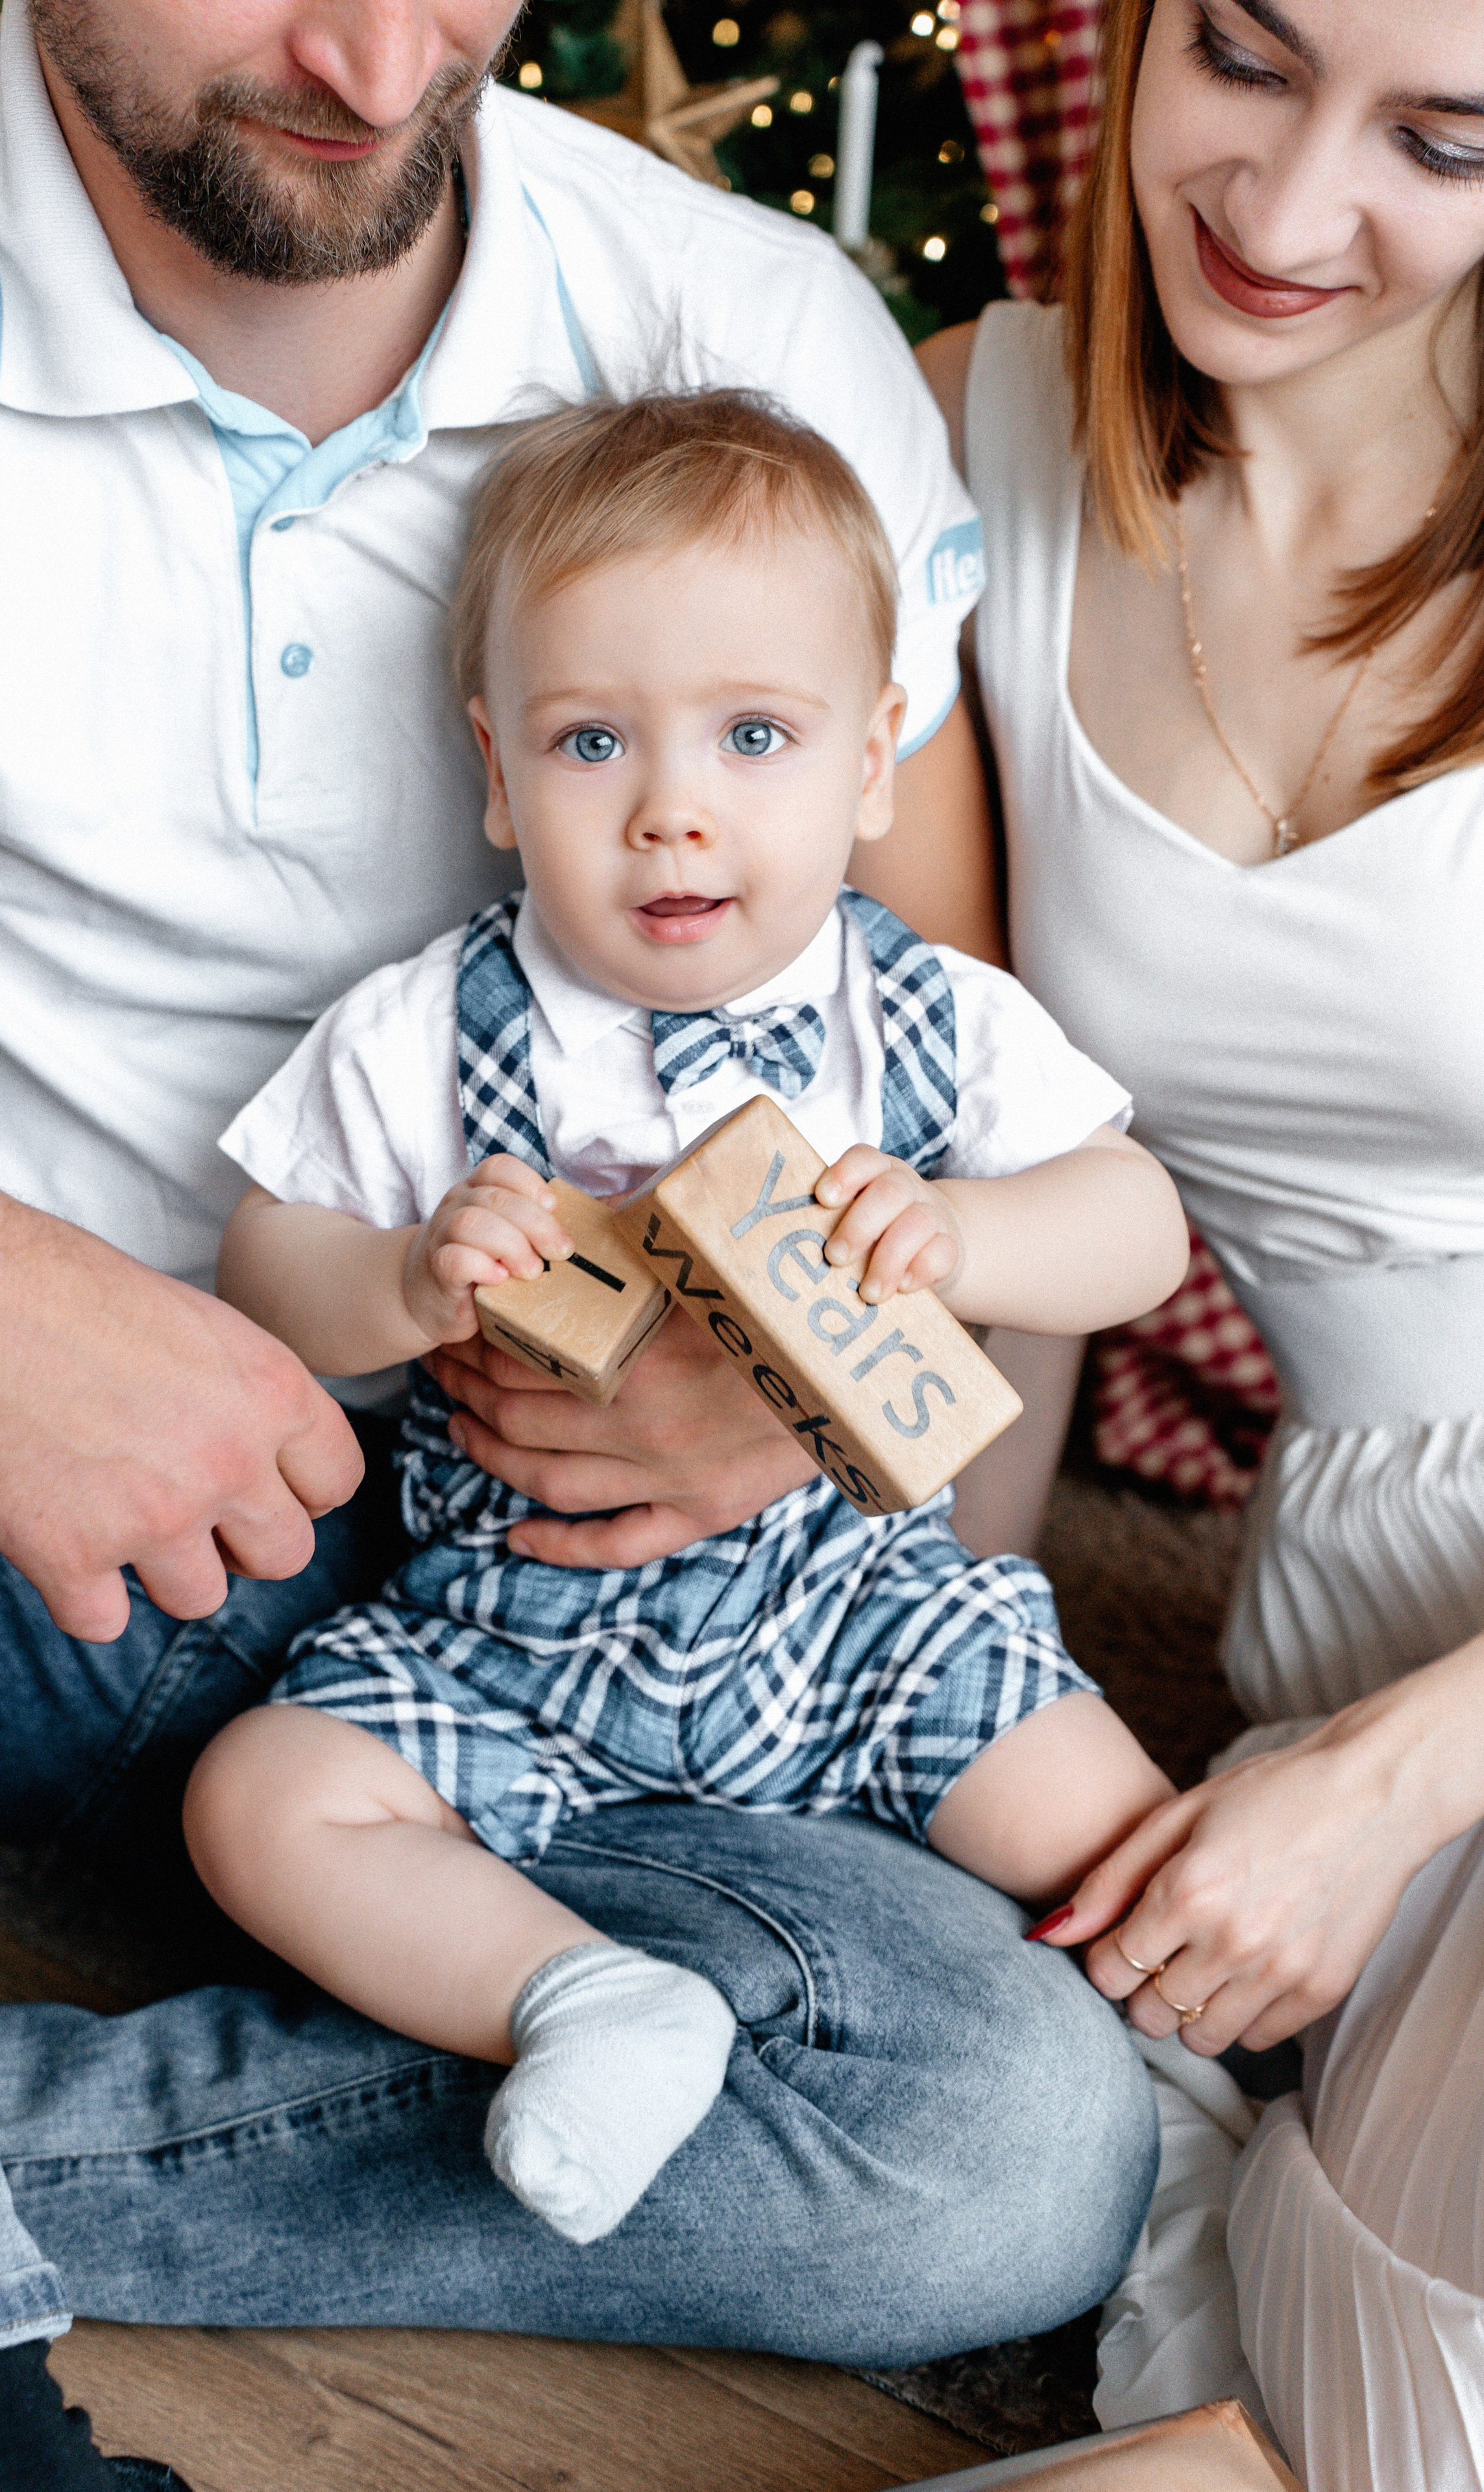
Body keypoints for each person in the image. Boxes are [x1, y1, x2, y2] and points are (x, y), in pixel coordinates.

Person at [0, 1, 1165, 2482]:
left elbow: (1013, 1143)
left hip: (645, 1605)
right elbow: (288, 1241)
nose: (362, 51)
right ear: (498, 753)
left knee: (1011, 2148)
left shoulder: (737, 322)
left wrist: (828, 1426)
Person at [184, 388, 1188, 2249]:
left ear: (875, 760)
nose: (674, 809)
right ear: (495, 773)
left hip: (857, 1603)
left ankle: (1206, 2083)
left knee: (1121, 1836)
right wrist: (403, 1279)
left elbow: (1138, 1228)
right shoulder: (430, 1029)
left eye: (754, 735)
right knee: (266, 1799)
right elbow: (266, 1262)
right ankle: (583, 2000)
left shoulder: (922, 1021)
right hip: (512, 1635)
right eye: (590, 742)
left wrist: (967, 1237)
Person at [918, 0, 1484, 2479]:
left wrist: (1390, 1782)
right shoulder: (971, 435)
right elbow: (997, 1161)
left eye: (1445, 140)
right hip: (1370, 1570)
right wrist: (939, 1657)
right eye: (1244, 63)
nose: (1278, 211)